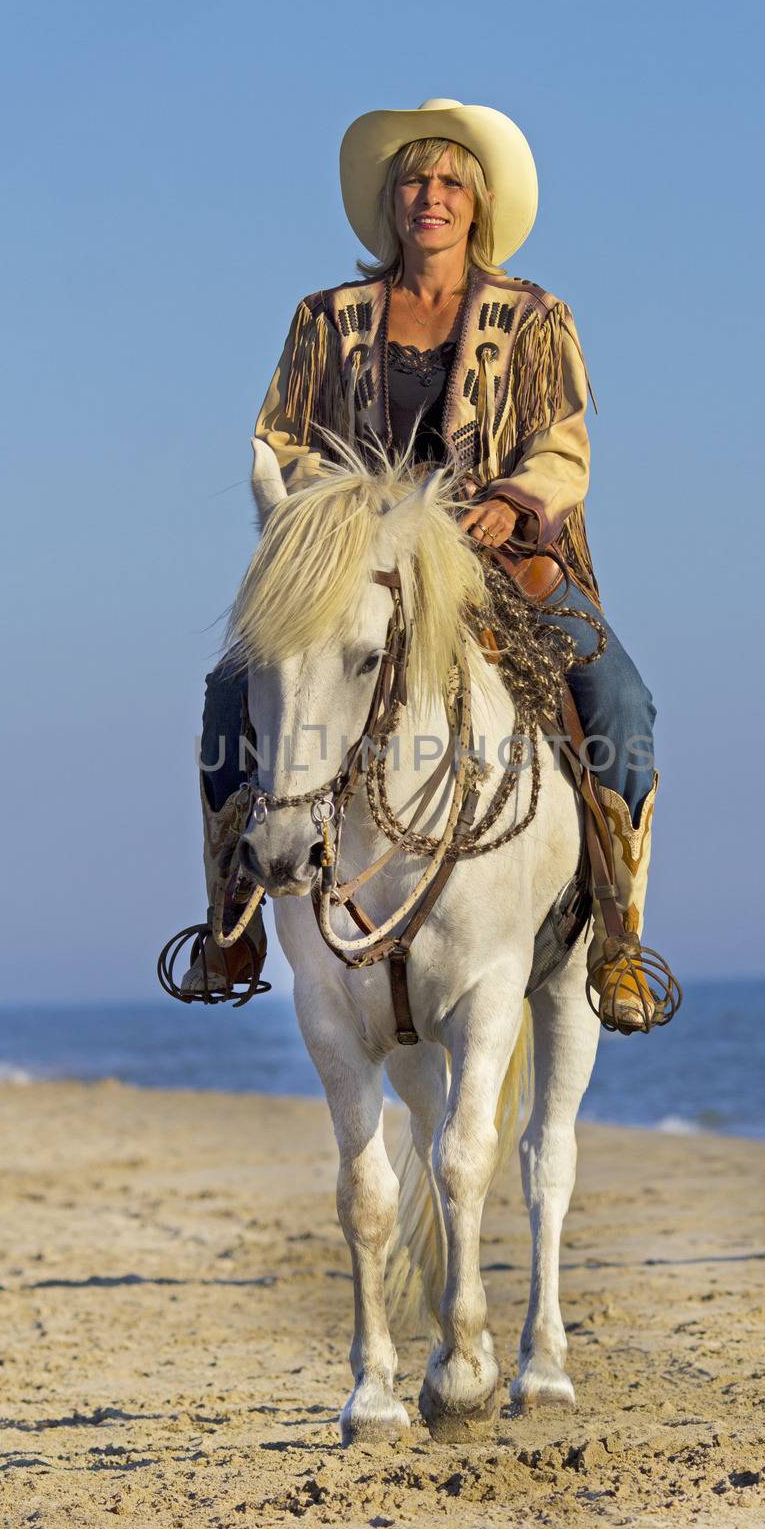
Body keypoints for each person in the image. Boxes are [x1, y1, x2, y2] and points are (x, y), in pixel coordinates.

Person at [176, 98, 673, 1031]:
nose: (430, 197)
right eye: (414, 181)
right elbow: (282, 441)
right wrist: (348, 507)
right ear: (389, 202)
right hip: (357, 564)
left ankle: (618, 936)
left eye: (449, 182)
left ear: (477, 202)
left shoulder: (534, 318)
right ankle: (231, 924)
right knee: (228, 695)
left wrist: (508, 500)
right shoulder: (325, 319)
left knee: (619, 701)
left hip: (497, 559)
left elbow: (562, 449)